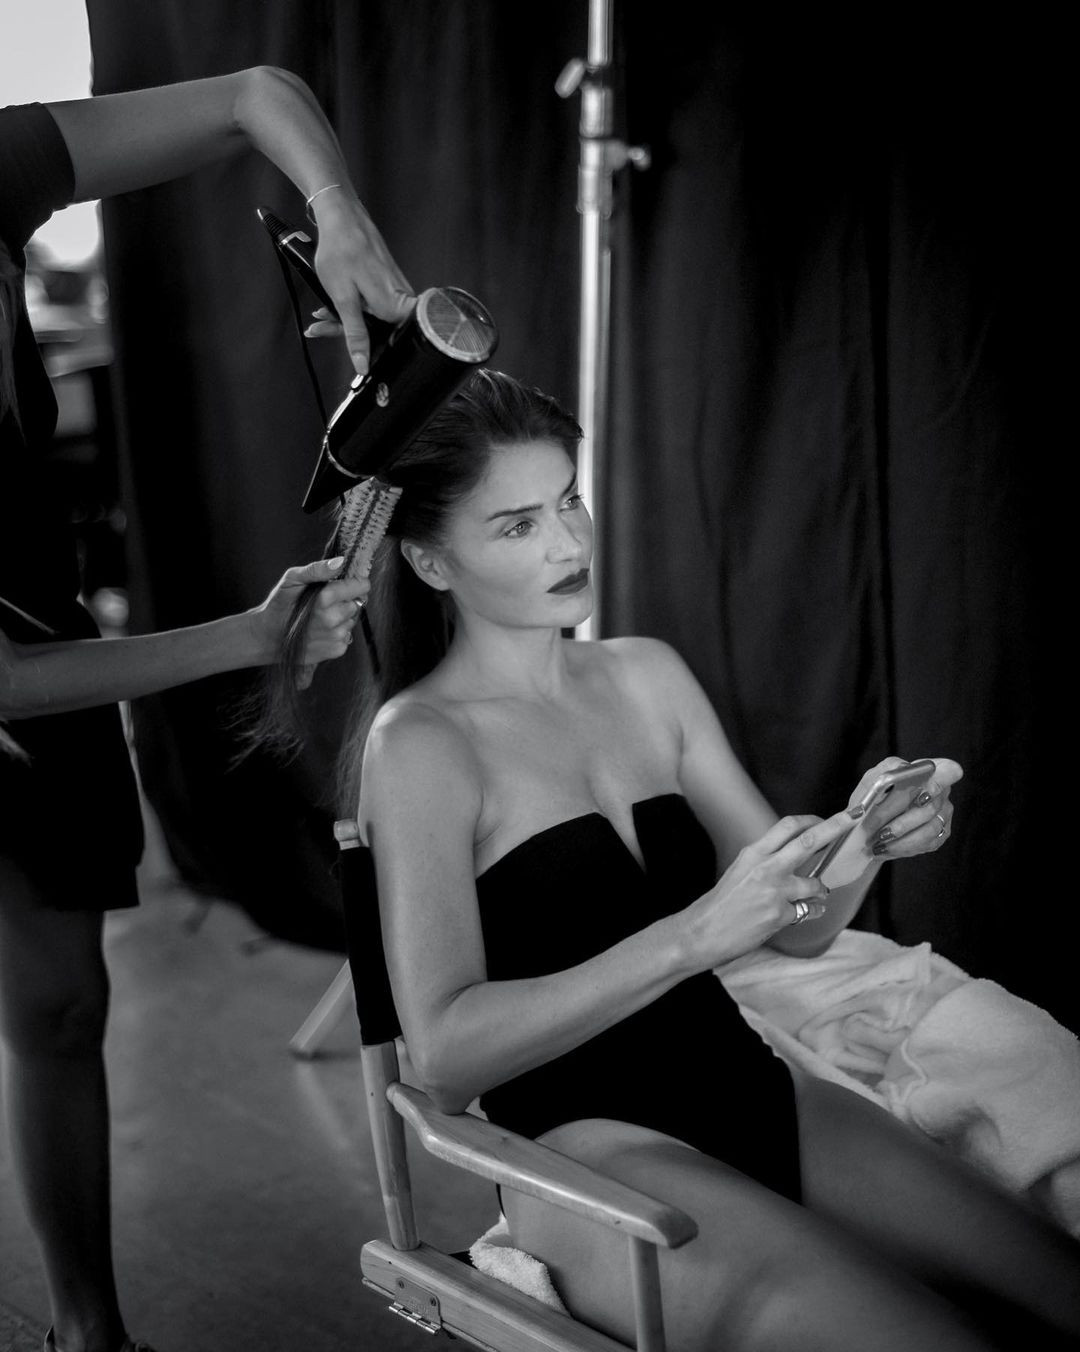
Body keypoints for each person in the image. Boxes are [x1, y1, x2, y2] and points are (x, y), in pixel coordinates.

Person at [310, 369, 1080, 1351]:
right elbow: (449, 1060)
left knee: (1063, 1289)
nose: (568, 543)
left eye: (569, 500)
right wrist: (692, 936)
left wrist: (861, 840)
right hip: (588, 1148)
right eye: (517, 526)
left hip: (754, 1087)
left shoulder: (646, 674)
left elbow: (799, 930)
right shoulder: (421, 744)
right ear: (429, 560)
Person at [0, 68, 414, 1352]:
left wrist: (337, 210)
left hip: (34, 618)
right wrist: (246, 637)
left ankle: (88, 1328)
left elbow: (253, 94)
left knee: (60, 1000)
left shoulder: (2, 163)